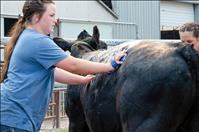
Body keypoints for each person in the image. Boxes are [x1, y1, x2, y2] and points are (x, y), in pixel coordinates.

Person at [0, 0, 126, 131]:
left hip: (11, 114)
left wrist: (82, 80)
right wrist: (109, 65)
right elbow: (73, 64)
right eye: (51, 15)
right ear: (36, 17)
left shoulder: (29, 37)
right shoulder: (37, 41)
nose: (56, 20)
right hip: (13, 117)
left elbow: (53, 72)